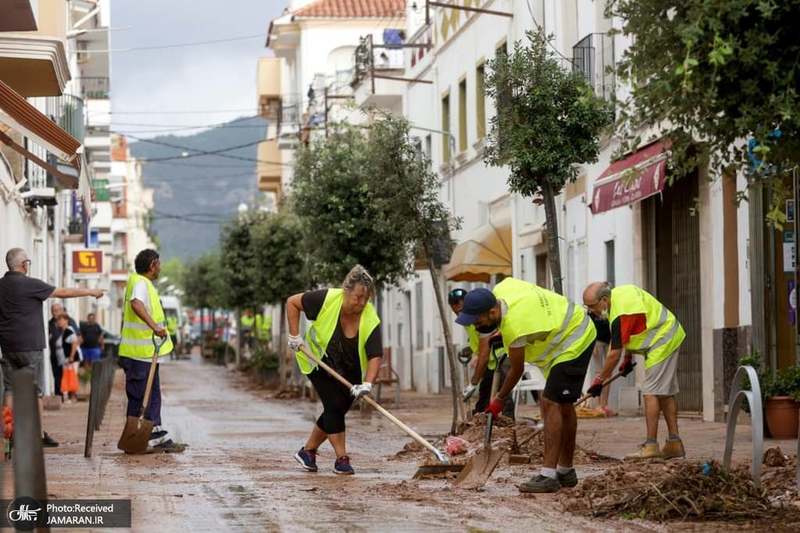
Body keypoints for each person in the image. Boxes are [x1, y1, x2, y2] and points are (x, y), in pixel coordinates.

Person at [456, 278, 596, 493]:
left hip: (574, 338)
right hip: (558, 343)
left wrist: (499, 399)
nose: (476, 326)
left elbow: (517, 369)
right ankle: (566, 471)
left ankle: (548, 475)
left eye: (478, 321)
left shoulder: (515, 327)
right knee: (563, 405)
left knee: (550, 402)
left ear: (493, 312)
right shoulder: (502, 289)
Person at [0, 247, 104, 447]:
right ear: (24, 265)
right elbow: (63, 292)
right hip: (30, 346)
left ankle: (7, 435)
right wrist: (90, 291)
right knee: (36, 391)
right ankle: (38, 435)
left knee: (9, 389)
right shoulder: (30, 284)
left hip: (7, 346)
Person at [286, 265, 382, 475]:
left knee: (336, 410)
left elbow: (375, 355)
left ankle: (308, 451)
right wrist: (294, 336)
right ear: (346, 291)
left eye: (365, 299)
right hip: (318, 361)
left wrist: (367, 383)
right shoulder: (326, 299)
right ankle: (342, 458)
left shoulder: (370, 317)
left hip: (351, 370)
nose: (361, 303)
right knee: (334, 405)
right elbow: (292, 302)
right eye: (357, 297)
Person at [583, 282, 686, 459]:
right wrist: (628, 358)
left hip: (663, 339)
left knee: (650, 393)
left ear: (604, 300)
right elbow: (634, 328)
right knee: (664, 393)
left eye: (592, 306)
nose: (590, 311)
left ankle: (651, 446)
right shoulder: (621, 297)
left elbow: (613, 353)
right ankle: (674, 444)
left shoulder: (620, 314)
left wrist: (599, 380)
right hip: (668, 334)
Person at [118, 249, 183, 453]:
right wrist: (155, 326)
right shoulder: (140, 282)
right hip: (139, 354)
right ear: (153, 264)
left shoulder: (143, 284)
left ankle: (155, 435)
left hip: (144, 354)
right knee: (140, 398)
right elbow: (136, 304)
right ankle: (138, 439)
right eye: (159, 264)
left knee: (151, 396)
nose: (160, 268)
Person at [448, 288, 513, 417]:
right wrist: (472, 349)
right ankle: (481, 425)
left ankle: (508, 426)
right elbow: (478, 343)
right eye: (455, 305)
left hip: (500, 358)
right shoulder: (467, 321)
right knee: (484, 400)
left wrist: (473, 383)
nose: (458, 307)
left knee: (503, 397)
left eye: (461, 303)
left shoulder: (479, 319)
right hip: (490, 363)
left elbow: (484, 352)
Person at [48, 303, 78, 401]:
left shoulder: (69, 322)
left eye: (57, 310)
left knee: (68, 375)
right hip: (54, 354)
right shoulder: (49, 323)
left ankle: (71, 395)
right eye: (53, 310)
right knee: (57, 376)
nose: (54, 313)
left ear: (61, 310)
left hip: (66, 355)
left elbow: (77, 338)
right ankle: (58, 397)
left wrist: (72, 355)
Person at [57, 313, 82, 402]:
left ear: (66, 320)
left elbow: (74, 343)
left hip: (71, 359)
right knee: (68, 377)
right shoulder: (63, 331)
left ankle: (72, 397)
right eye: (58, 320)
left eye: (61, 320)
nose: (59, 322)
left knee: (71, 377)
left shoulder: (69, 331)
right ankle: (69, 397)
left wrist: (71, 357)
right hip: (66, 359)